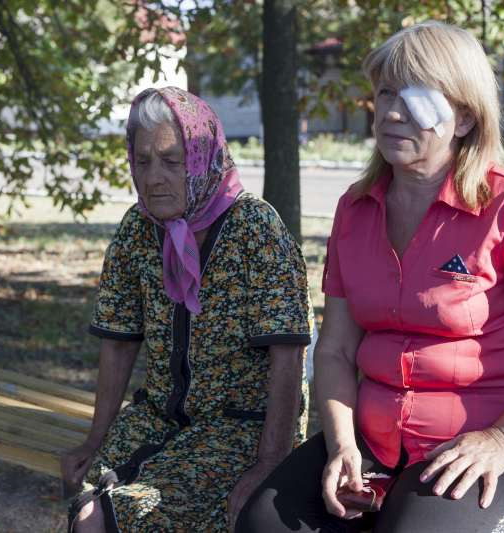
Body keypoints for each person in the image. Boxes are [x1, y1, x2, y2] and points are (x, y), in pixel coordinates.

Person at [236, 21, 504, 533]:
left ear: (463, 118)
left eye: (417, 96)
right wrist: (343, 446)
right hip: (372, 444)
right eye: (386, 92)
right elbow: (335, 351)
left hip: (483, 451)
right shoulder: (355, 210)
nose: (392, 111)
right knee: (263, 522)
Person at [62, 86, 312, 532]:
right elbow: (119, 342)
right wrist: (95, 437)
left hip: (241, 430)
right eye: (142, 161)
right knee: (87, 510)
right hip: (156, 419)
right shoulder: (138, 228)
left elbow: (288, 353)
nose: (154, 176)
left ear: (202, 159)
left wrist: (270, 461)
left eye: (172, 161)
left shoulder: (256, 229)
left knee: (132, 517)